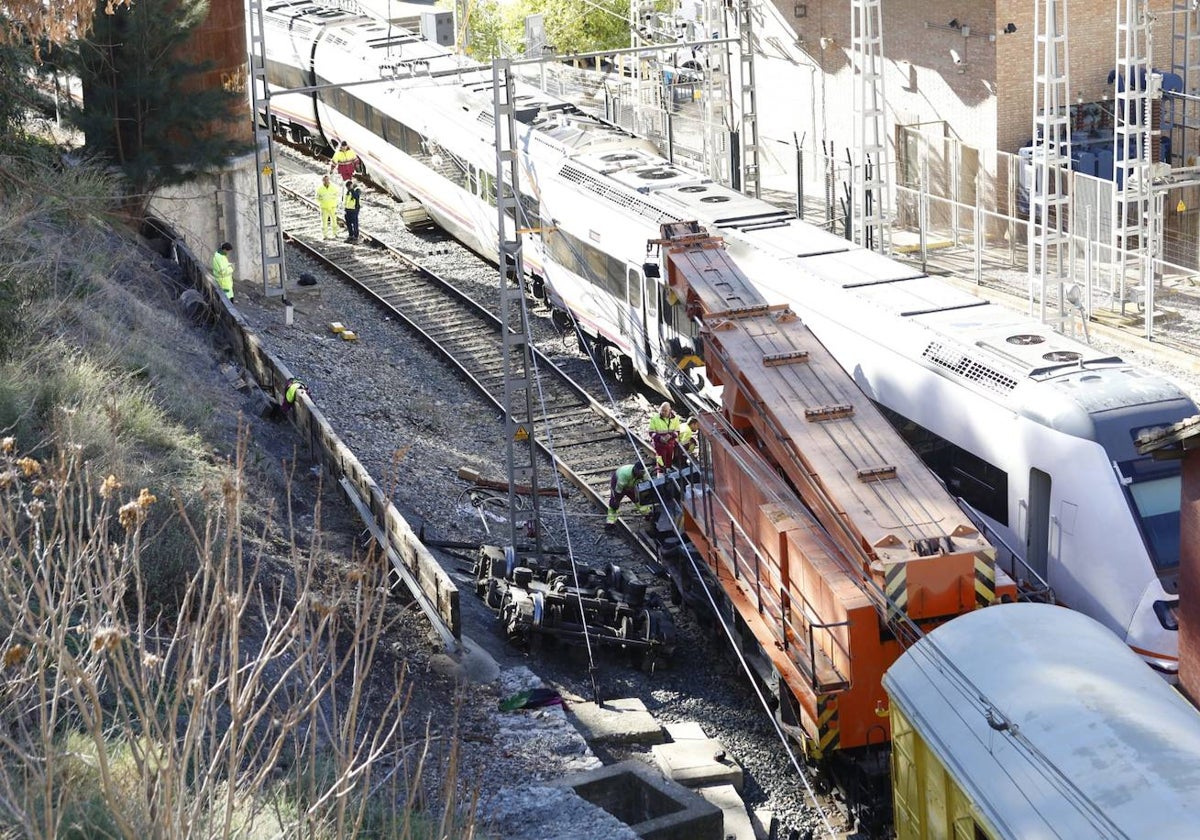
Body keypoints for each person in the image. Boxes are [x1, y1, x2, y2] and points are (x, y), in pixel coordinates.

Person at [649, 402, 680, 474]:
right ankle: (660, 473)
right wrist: (659, 438)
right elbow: (651, 432)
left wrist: (671, 435)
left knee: (669, 458)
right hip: (659, 444)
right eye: (662, 410)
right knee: (660, 460)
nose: (663, 412)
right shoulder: (655, 418)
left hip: (670, 444)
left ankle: (668, 469)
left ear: (670, 410)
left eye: (665, 411)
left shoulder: (675, 419)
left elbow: (677, 431)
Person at [316, 174, 340, 240]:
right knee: (324, 221)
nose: (326, 181)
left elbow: (337, 195)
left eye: (327, 180)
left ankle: (335, 233)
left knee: (334, 221)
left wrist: (335, 203)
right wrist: (321, 203)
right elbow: (317, 198)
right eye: (325, 180)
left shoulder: (333, 187)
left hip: (332, 206)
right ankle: (325, 235)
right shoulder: (320, 189)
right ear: (322, 181)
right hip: (324, 207)